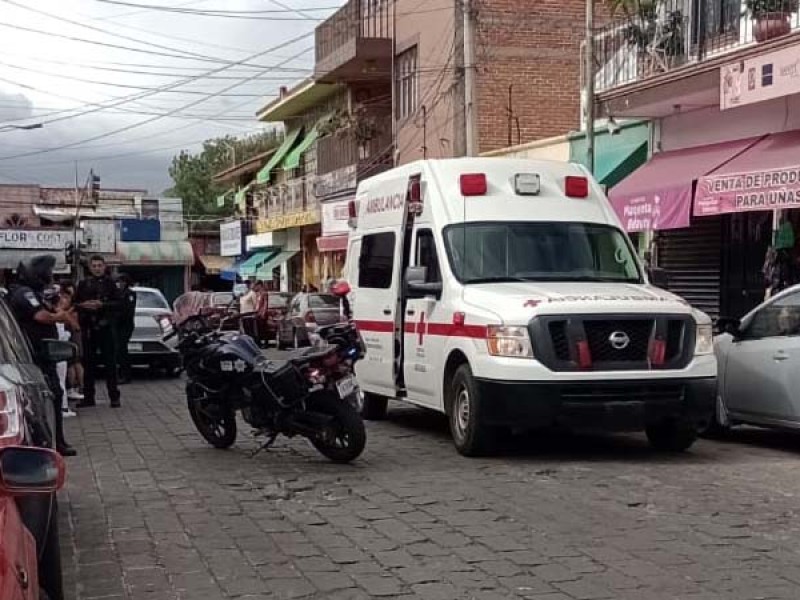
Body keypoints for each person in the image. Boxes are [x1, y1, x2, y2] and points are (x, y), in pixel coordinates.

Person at [8, 255, 77, 456]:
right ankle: (50, 443)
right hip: (34, 356)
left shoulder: (33, 293)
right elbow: (40, 316)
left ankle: (56, 441)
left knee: (54, 395)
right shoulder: (24, 293)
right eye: (49, 273)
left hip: (42, 354)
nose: (51, 276)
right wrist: (60, 316)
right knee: (45, 397)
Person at [76, 255, 121, 408]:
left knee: (110, 364)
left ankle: (114, 396)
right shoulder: (83, 284)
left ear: (104, 266)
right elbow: (76, 303)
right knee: (88, 364)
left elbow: (119, 304)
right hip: (89, 327)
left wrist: (102, 305)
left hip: (106, 327)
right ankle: (89, 397)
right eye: (94, 265)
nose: (96, 268)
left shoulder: (111, 284)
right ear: (90, 267)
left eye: (99, 265)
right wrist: (85, 305)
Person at [60, 282, 84, 401]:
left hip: (73, 335)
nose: (63, 300)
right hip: (72, 334)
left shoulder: (72, 310)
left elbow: (75, 325)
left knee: (74, 361)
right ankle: (76, 387)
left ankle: (76, 387)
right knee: (73, 362)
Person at [115, 274, 136, 384]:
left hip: (125, 325)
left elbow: (128, 310)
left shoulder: (129, 294)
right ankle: (122, 373)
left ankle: (126, 374)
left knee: (122, 349)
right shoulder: (118, 293)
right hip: (118, 325)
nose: (120, 284)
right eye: (119, 281)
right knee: (119, 350)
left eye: (122, 281)